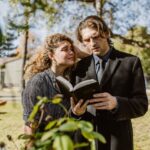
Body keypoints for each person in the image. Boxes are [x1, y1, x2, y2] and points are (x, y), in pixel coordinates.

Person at [70, 15, 148, 150]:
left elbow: (141, 105)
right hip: (86, 140)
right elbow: (72, 109)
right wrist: (76, 113)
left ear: (106, 33)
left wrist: (117, 103)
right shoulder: (78, 67)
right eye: (87, 40)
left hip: (118, 140)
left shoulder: (131, 62)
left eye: (96, 37)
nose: (92, 43)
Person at [22, 33, 76, 135]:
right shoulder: (38, 81)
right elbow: (30, 122)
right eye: (65, 49)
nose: (71, 52)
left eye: (72, 49)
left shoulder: (72, 81)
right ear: (51, 55)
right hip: (44, 142)